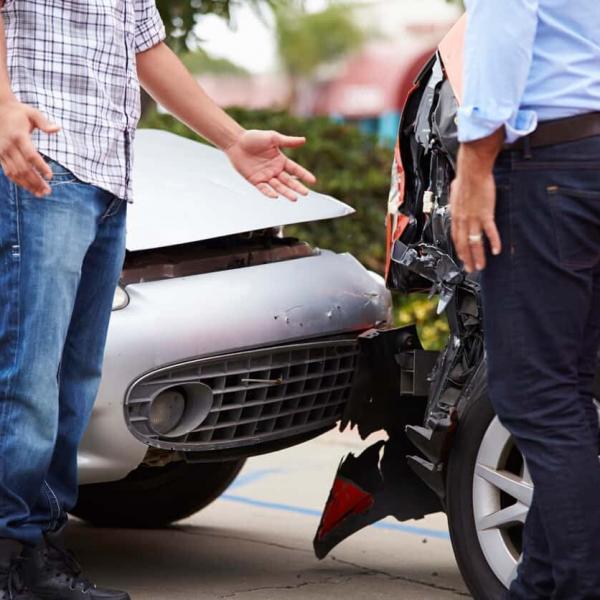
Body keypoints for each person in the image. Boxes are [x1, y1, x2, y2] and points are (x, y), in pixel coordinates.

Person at [0, 2, 316, 599]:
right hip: (38, 163)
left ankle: (37, 551)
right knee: (27, 375)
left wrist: (231, 139)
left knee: (72, 380)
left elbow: (146, 50)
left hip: (106, 177)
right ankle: (7, 555)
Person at [450, 1, 600, 598]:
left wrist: (474, 164)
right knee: (569, 392)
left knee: (537, 398)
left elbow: (502, 33)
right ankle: (539, 585)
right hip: (585, 163)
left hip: (548, 167)